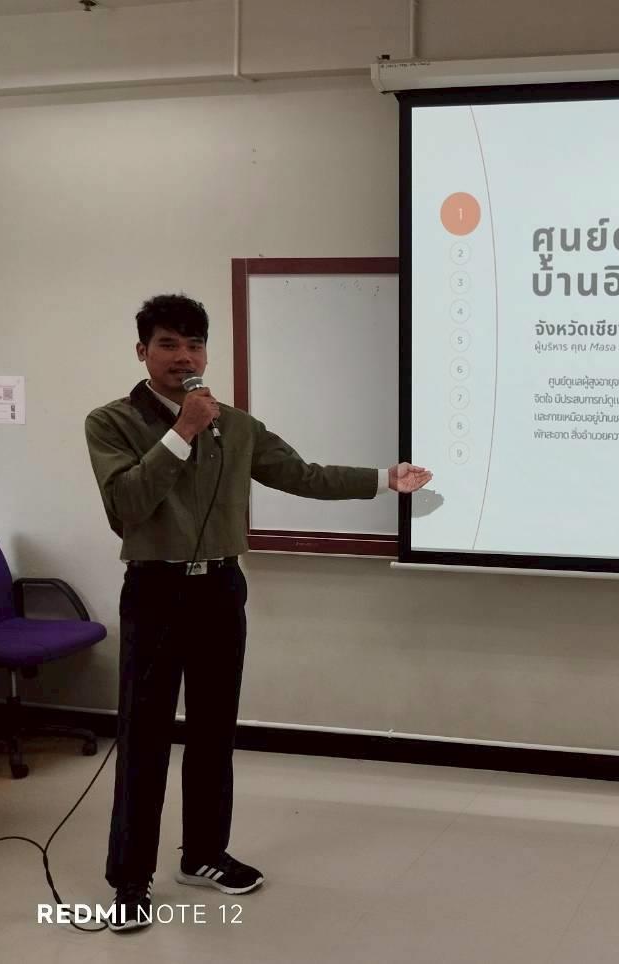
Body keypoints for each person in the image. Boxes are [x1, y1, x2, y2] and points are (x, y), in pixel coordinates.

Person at [84, 294, 433, 932]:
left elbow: (303, 474)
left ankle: (203, 854)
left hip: (220, 589)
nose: (183, 357)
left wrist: (386, 479)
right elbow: (127, 505)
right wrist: (182, 431)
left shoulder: (237, 426)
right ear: (142, 351)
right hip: (156, 591)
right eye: (168, 344)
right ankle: (130, 880)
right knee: (145, 737)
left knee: (214, 730)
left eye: (194, 345)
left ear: (206, 353)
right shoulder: (111, 422)